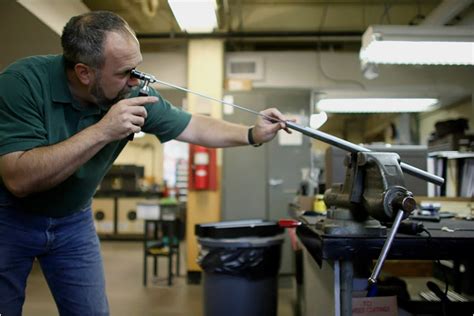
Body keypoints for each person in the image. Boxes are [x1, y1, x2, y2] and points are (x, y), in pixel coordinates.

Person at [0, 10, 288, 316]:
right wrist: (103, 130)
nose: (136, 80)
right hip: (11, 217)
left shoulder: (131, 92)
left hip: (73, 219)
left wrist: (251, 133)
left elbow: (193, 126)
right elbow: (19, 179)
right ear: (85, 73)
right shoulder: (22, 84)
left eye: (138, 68)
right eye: (125, 72)